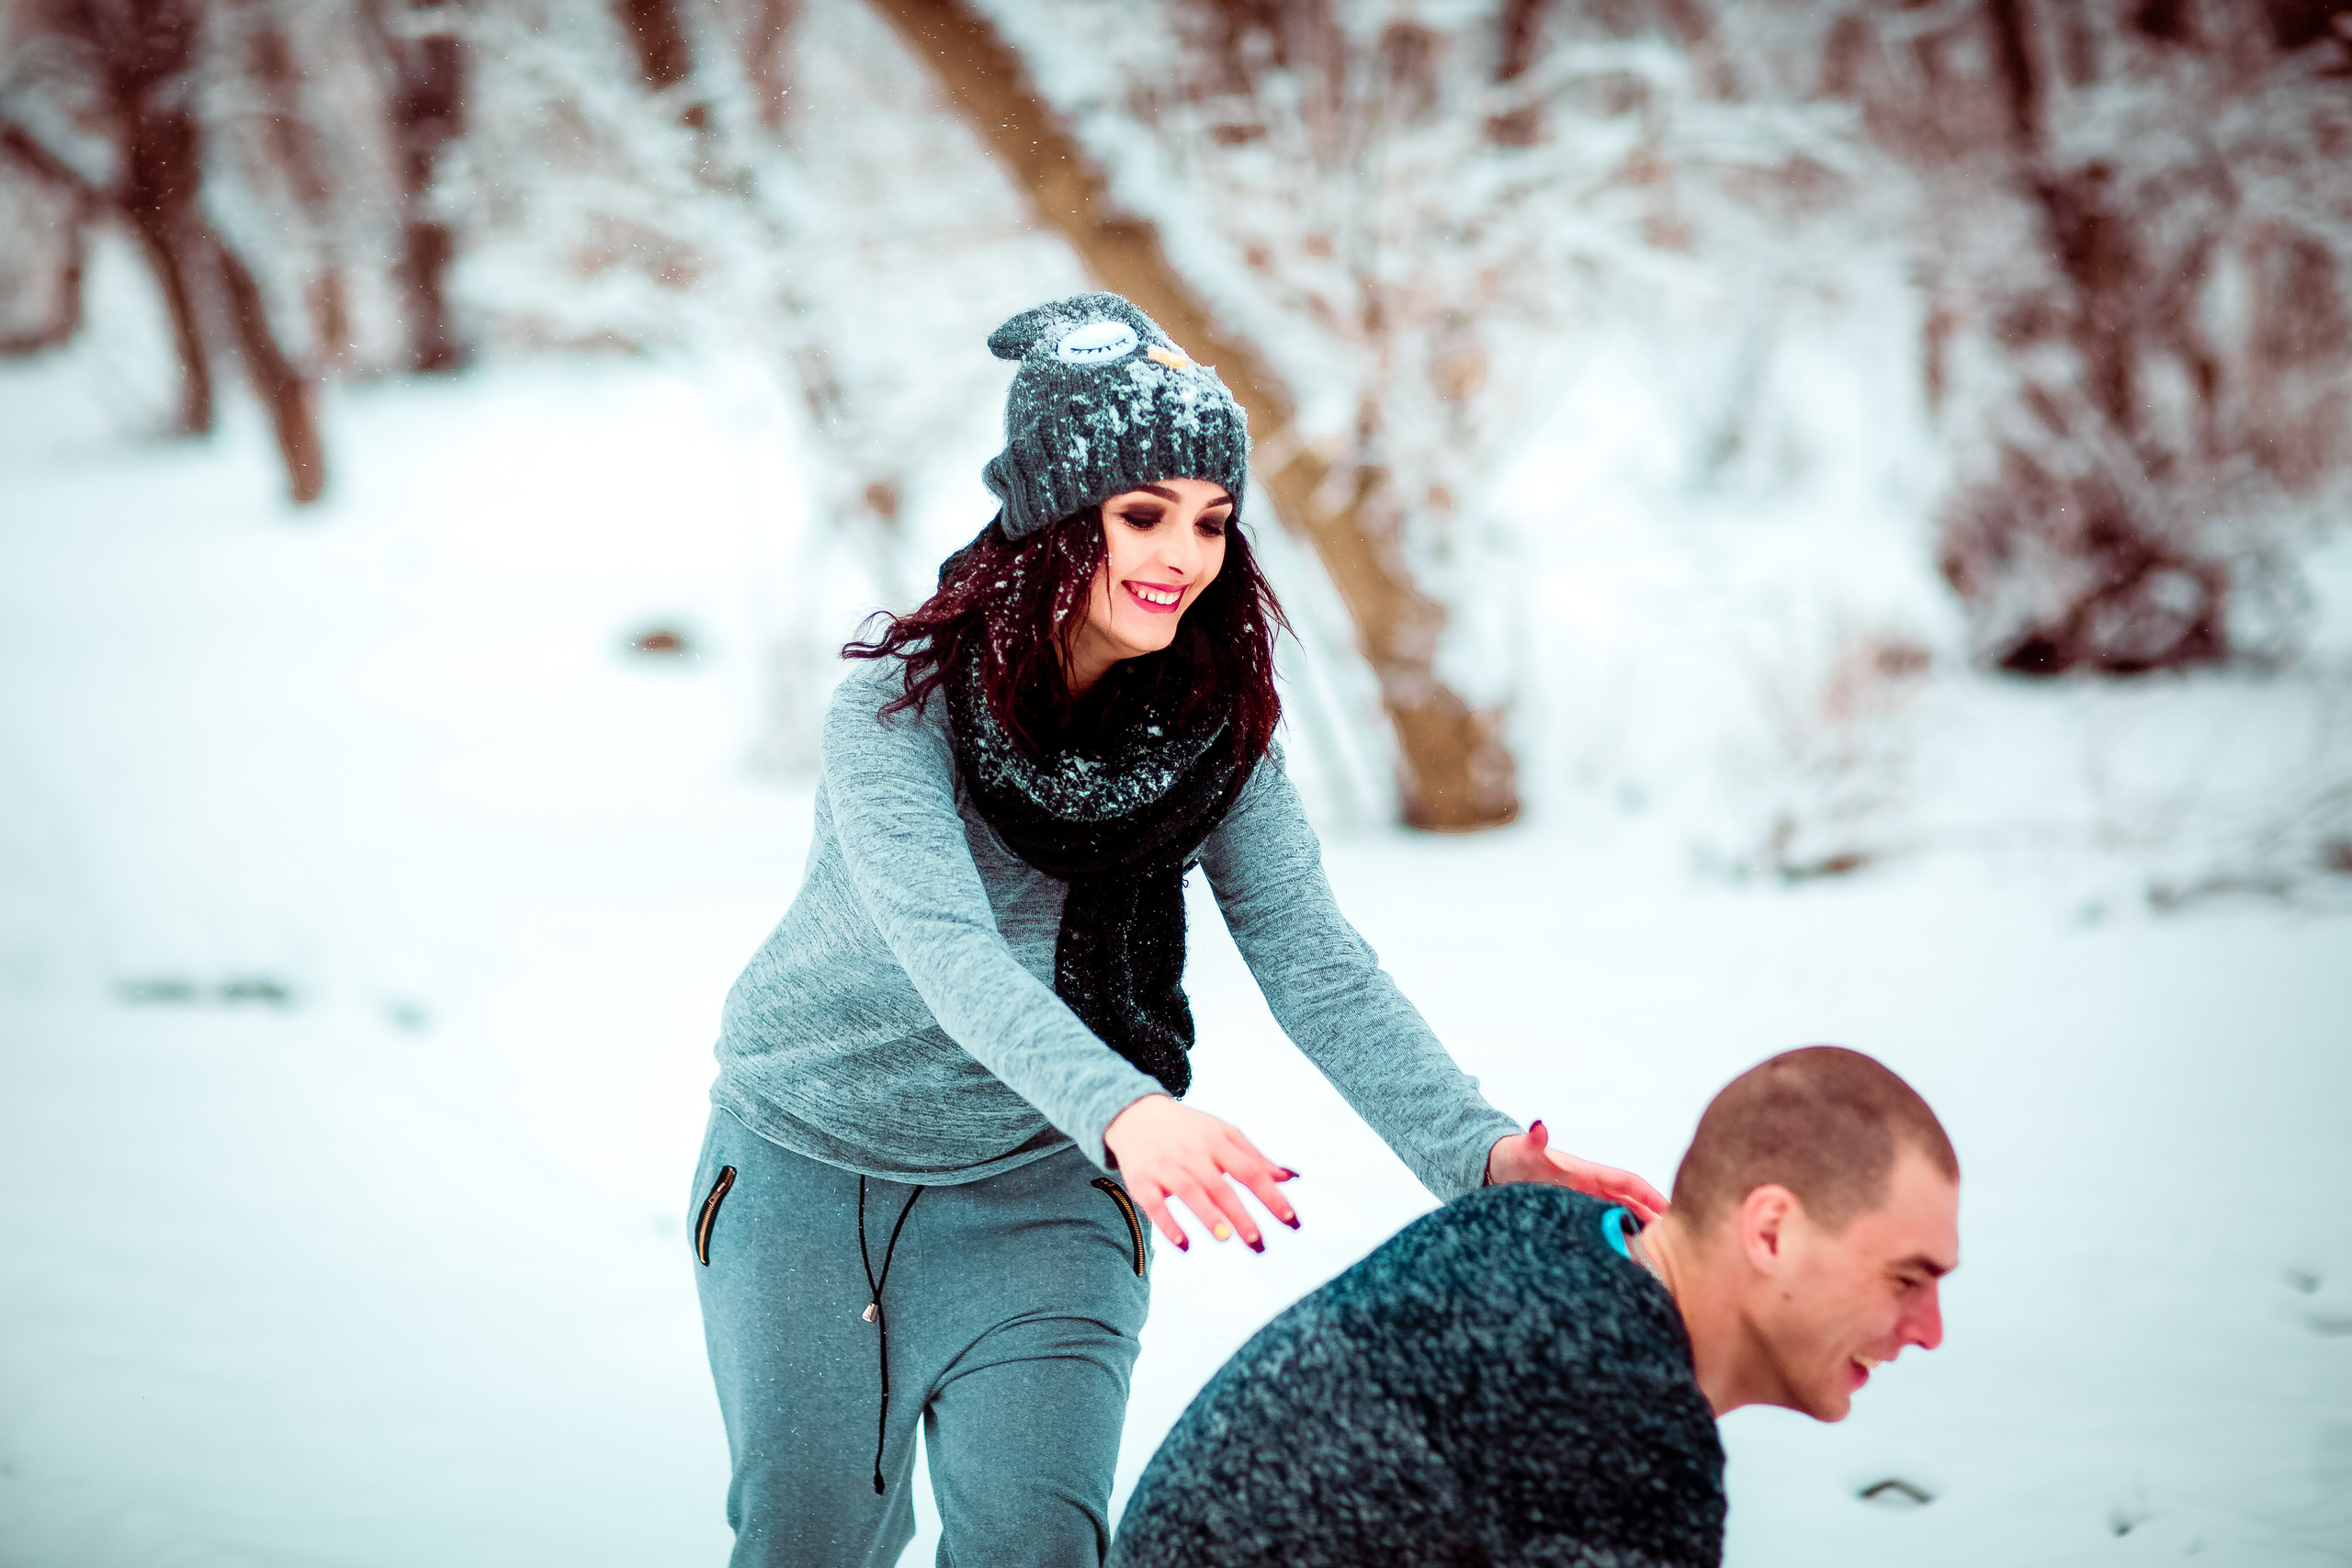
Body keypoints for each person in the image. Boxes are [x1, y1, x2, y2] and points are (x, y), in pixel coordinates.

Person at [687, 291, 1665, 1568]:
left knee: (1041, 1547)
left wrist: (1480, 1157)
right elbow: (948, 948)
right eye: (1143, 513)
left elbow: (1317, 966)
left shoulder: (1212, 733)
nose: (1184, 554)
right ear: (1052, 516)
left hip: (1046, 1189)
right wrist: (1130, 1106)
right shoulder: (896, 713)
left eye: (1212, 519)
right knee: (808, 1545)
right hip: (809, 1180)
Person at [1107, 1045, 1962, 1568]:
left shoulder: (1548, 1228)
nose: (1930, 1332)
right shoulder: (1622, 1421)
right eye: (1904, 1278)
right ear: (1770, 1231)